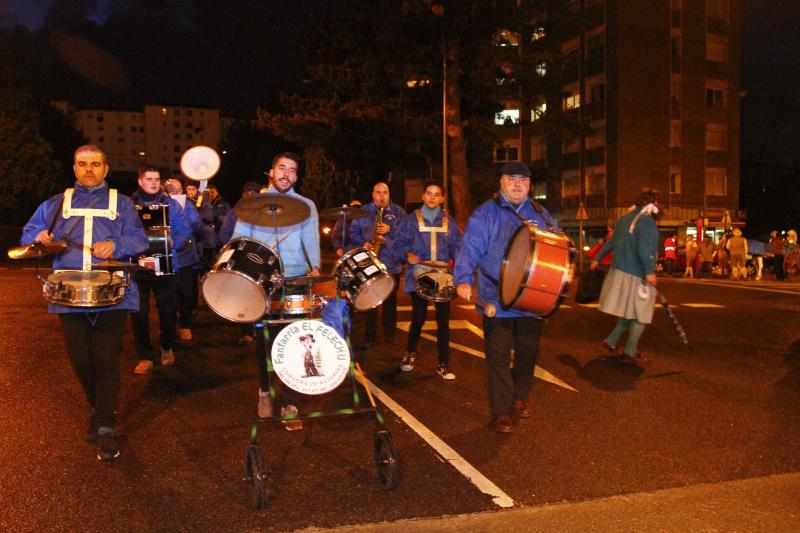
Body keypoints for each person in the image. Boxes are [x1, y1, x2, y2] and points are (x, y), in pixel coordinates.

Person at [21, 144, 149, 460]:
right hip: (68, 295)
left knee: (106, 360)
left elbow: (140, 239)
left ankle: (105, 424)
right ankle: (99, 407)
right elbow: (29, 235)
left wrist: (115, 243)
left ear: (106, 169)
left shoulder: (122, 204)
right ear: (74, 168)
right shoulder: (54, 205)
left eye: (95, 164)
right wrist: (39, 239)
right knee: (81, 361)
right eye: (82, 163)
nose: (89, 169)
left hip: (112, 293)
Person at [454, 162, 555, 434]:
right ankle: (501, 411)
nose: (518, 184)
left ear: (529, 185)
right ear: (501, 182)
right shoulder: (485, 215)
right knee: (498, 357)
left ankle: (519, 396)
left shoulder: (540, 214)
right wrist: (463, 279)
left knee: (527, 353)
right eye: (512, 179)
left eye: (523, 180)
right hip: (495, 298)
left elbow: (555, 245)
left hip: (532, 300)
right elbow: (470, 247)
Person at [231, 152, 321, 430]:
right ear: (271, 171)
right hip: (263, 281)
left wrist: (314, 268)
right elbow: (238, 241)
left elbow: (312, 241)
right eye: (282, 168)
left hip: (294, 280)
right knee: (264, 341)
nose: (287, 174)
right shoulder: (252, 205)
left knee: (294, 339)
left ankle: (290, 401)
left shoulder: (306, 206)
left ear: (296, 176)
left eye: (293, 170)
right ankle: (264, 390)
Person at [393, 180, 462, 379]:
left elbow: (459, 247)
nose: (432, 197)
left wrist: (461, 272)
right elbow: (398, 244)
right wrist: (407, 255)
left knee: (443, 322)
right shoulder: (410, 220)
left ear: (441, 198)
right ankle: (409, 354)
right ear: (423, 196)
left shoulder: (450, 222)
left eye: (436, 194)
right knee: (418, 318)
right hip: (419, 275)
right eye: (429, 193)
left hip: (442, 277)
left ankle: (444, 363)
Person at [130, 167, 192, 374]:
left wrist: (174, 242)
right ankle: (145, 356)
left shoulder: (171, 204)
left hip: (165, 264)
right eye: (149, 179)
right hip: (137, 267)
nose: (154, 183)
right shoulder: (128, 205)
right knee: (139, 313)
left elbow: (185, 231)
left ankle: (166, 345)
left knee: (167, 311)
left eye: (157, 179)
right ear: (140, 181)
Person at [591, 188, 661, 366]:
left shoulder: (624, 219)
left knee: (630, 311)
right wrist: (650, 272)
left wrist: (597, 259)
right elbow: (645, 250)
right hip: (637, 275)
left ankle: (610, 342)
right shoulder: (647, 222)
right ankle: (630, 352)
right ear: (654, 204)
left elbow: (611, 242)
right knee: (641, 315)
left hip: (620, 272)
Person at [350, 182, 407, 347]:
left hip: (392, 263)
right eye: (378, 192)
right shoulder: (362, 213)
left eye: (385, 192)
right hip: (369, 264)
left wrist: (391, 229)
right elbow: (353, 233)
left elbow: (406, 236)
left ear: (389, 194)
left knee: (390, 302)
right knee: (370, 301)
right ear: (373, 194)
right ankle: (370, 337)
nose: (382, 196)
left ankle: (390, 335)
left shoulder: (399, 212)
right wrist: (362, 243)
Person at [218, 180, 262, 345]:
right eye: (248, 192)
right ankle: (247, 332)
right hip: (242, 256)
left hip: (261, 256)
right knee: (245, 294)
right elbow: (224, 235)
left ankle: (261, 327)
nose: (251, 195)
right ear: (243, 194)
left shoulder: (266, 210)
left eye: (254, 192)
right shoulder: (234, 212)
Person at [164, 178, 207, 341]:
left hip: (185, 256)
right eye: (170, 189)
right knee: (168, 293)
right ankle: (169, 326)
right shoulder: (161, 203)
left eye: (178, 189)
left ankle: (185, 324)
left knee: (186, 292)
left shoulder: (188, 205)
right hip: (167, 256)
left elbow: (198, 228)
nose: (174, 192)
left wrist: (184, 221)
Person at [198, 183, 230, 266]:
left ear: (217, 192)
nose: (210, 195)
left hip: (217, 241)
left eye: (212, 192)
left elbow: (226, 221)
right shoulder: (200, 204)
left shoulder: (223, 205)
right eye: (208, 193)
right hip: (204, 241)